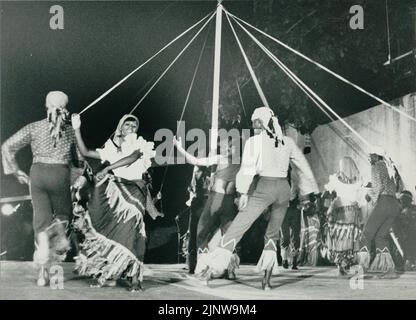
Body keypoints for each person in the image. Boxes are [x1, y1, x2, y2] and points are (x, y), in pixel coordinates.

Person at [202, 106, 319, 290]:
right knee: (272, 234)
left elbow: (247, 170)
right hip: (283, 190)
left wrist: (242, 193)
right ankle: (266, 282)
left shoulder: (255, 142)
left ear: (262, 123)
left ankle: (212, 269)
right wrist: (309, 191)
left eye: (255, 123)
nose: (253, 127)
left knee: (238, 226)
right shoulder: (286, 142)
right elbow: (302, 167)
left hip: (265, 186)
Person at [70, 113, 160, 291]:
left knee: (134, 230)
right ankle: (108, 270)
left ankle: (135, 277)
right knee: (112, 230)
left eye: (134, 126)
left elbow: (133, 157)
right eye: (127, 125)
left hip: (136, 191)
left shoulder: (141, 144)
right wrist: (76, 128)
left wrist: (109, 168)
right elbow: (85, 152)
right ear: (120, 128)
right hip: (116, 192)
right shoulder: (111, 148)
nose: (132, 128)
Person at [1, 91, 76, 286]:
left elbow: (7, 146)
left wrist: (17, 171)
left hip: (37, 175)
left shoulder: (34, 127)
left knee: (40, 221)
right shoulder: (70, 130)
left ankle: (42, 273)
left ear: (46, 105)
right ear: (65, 107)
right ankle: (53, 260)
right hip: (59, 174)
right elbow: (78, 159)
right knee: (62, 217)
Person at [173, 135, 241, 279]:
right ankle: (230, 269)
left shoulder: (220, 158)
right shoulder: (241, 162)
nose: (227, 149)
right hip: (229, 202)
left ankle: (203, 268)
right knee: (228, 236)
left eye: (230, 146)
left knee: (201, 233)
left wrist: (179, 147)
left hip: (216, 200)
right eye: (225, 146)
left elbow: (195, 161)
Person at [356, 146, 401, 278]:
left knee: (366, 234)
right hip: (394, 204)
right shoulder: (390, 167)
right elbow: (394, 186)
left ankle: (361, 270)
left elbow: (378, 186)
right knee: (381, 236)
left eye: (371, 155)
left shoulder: (377, 166)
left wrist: (369, 195)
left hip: (384, 202)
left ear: (377, 156)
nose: (369, 158)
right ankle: (388, 270)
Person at [323, 156, 364, 276]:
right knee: (350, 238)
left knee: (339, 237)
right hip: (352, 211)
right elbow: (359, 198)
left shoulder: (335, 178)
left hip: (339, 210)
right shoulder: (357, 181)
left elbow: (327, 191)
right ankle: (346, 262)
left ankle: (340, 264)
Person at [280, 167, 301, 270]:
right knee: (285, 236)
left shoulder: (295, 180)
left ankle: (294, 261)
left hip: (294, 209)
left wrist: (300, 203)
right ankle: (284, 259)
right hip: (283, 210)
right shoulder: (278, 180)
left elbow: (301, 193)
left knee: (295, 235)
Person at [393, 191, 416, 271]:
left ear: (406, 200)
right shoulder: (407, 209)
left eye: (402, 200)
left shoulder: (404, 212)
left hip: (407, 237)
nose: (400, 202)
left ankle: (407, 264)